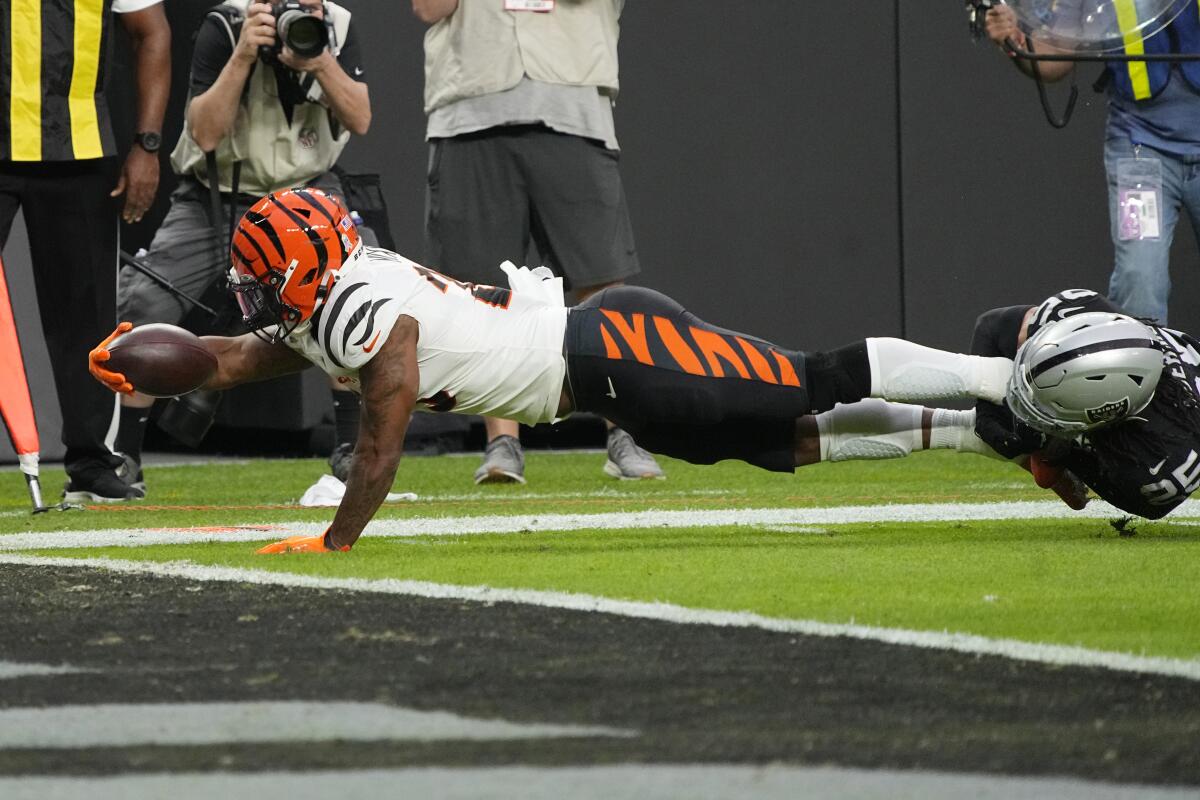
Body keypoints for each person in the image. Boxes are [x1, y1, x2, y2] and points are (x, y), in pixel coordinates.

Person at [89, 189, 1016, 552]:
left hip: (616, 352)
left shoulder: (368, 314)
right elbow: (228, 358)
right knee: (785, 446)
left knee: (810, 381)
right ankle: (991, 435)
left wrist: (334, 544)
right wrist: (137, 361)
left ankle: (994, 382)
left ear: (297, 271)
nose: (246, 290)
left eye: (257, 275)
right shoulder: (325, 299)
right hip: (602, 376)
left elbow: (379, 448)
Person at [114, 0, 372, 494]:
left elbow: (360, 119)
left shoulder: (335, 26)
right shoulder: (227, 25)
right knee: (143, 300)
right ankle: (123, 454)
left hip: (308, 196)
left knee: (357, 295)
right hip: (220, 198)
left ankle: (350, 447)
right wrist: (243, 57)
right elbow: (205, 133)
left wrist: (319, 59)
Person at [413, 0, 665, 484]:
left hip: (571, 104)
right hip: (469, 106)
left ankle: (623, 433)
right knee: (478, 292)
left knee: (601, 283)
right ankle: (501, 443)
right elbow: (429, 8)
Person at [790, 288, 1200, 520]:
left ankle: (796, 402)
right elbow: (993, 325)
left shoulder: (1158, 474)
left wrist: (1054, 452)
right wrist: (989, 412)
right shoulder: (1087, 312)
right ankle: (806, 380)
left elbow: (1138, 503)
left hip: (1135, 449)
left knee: (976, 429)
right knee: (984, 378)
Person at [0, 0, 171, 502]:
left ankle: (93, 463)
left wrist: (148, 145)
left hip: (79, 151)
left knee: (86, 314)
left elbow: (152, 33)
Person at [985, 3, 1200, 324]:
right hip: (1139, 150)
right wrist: (1013, 40)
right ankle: (1147, 370)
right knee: (1138, 279)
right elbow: (1053, 54)